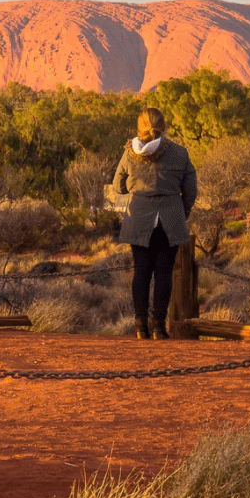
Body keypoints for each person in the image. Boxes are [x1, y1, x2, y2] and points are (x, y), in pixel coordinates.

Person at [111, 106, 198, 339]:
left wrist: (136, 189)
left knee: (141, 272)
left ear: (139, 128)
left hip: (138, 216)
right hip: (170, 217)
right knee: (164, 272)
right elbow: (190, 190)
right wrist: (182, 212)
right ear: (164, 126)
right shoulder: (180, 153)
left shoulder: (130, 153)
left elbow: (118, 185)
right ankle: (159, 327)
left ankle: (140, 327)